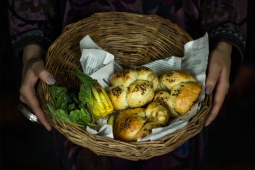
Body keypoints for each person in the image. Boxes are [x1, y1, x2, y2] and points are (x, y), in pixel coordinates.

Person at [7, 0, 247, 169]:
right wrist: (32, 50)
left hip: (181, 27)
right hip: (75, 35)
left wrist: (224, 42)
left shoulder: (160, 99)